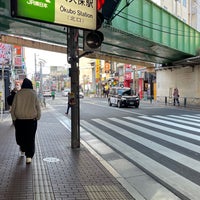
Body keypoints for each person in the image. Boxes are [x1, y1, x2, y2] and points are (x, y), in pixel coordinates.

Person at [11, 78, 41, 164]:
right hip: (31, 120)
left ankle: (23, 148)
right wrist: (38, 117)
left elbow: (13, 108)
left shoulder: (18, 94)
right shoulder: (33, 94)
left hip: (19, 120)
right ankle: (29, 156)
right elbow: (38, 107)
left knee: (20, 136)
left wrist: (14, 118)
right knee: (30, 138)